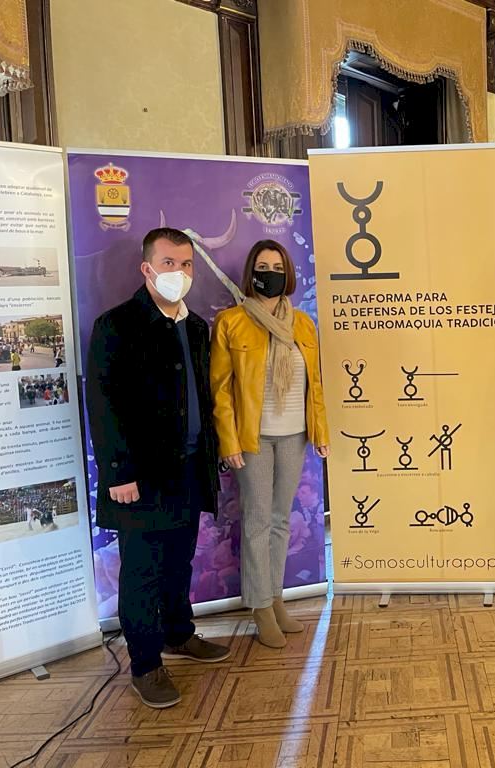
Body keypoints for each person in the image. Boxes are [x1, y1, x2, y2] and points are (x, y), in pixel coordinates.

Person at [86, 227, 230, 710]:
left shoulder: (196, 327)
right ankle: (146, 664)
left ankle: (178, 633)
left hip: (187, 470)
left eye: (186, 264)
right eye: (169, 263)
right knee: (143, 570)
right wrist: (118, 472)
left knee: (178, 560)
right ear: (147, 268)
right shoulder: (117, 325)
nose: (179, 272)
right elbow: (103, 404)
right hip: (139, 476)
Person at [211, 239, 330, 649]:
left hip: (294, 435)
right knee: (258, 521)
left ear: (288, 273)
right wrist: (229, 440)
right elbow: (221, 390)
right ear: (251, 272)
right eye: (263, 267)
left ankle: (276, 597)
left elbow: (315, 384)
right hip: (254, 438)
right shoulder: (231, 322)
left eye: (277, 267)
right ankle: (260, 606)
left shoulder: (303, 325)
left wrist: (321, 432)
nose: (270, 274)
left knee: (281, 519)